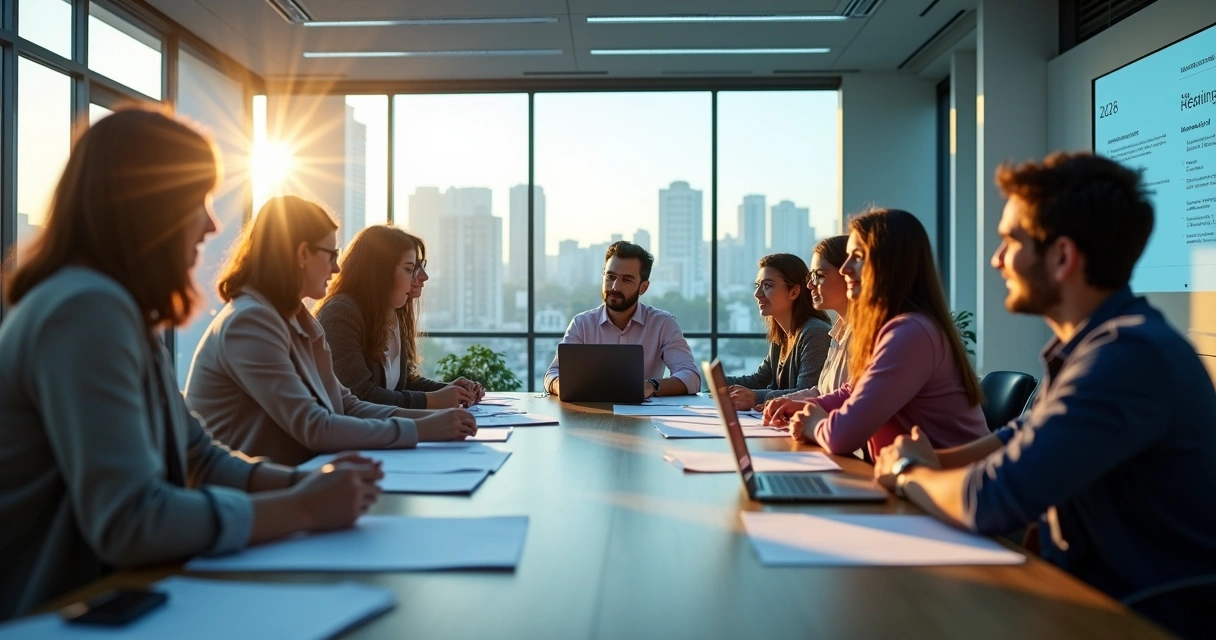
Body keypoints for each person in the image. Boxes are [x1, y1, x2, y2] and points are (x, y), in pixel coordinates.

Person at [0, 108, 383, 621]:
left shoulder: (118, 309)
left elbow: (198, 457)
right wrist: (304, 508)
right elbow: (131, 521)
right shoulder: (85, 311)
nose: (212, 223)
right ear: (147, 206)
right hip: (56, 615)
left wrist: (304, 486)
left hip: (116, 598)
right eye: (197, 199)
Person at [873, 153, 1216, 638]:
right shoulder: (1101, 344)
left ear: (1061, 257)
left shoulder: (1128, 356)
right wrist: (934, 460)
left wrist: (910, 473)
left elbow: (992, 500)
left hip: (1139, 621)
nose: (996, 259)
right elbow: (1024, 433)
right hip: (1088, 604)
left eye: (1011, 241)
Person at [185, 196, 476, 467]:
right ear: (302, 254)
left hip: (293, 476)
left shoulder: (300, 321)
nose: (336, 268)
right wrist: (422, 427)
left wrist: (431, 420)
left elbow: (346, 404)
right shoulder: (250, 323)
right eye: (330, 255)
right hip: (247, 492)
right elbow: (315, 427)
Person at [769, 209, 988, 460]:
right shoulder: (893, 328)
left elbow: (843, 435)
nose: (845, 269)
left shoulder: (910, 332)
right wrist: (810, 406)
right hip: (911, 477)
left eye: (858, 257)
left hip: (950, 482)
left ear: (889, 264)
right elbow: (853, 391)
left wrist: (815, 424)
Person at [314, 225, 484, 410]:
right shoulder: (340, 314)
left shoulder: (393, 314)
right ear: (379, 272)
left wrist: (450, 390)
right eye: (410, 269)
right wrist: (431, 400)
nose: (423, 277)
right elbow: (359, 396)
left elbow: (401, 385)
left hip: (383, 427)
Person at [544, 241, 700, 398]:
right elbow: (552, 374)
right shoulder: (582, 324)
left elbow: (691, 376)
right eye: (610, 277)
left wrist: (652, 386)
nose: (615, 287)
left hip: (644, 412)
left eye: (627, 280)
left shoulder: (663, 324)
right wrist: (564, 386)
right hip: (590, 411)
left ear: (643, 287)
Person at [721, 253, 831, 410]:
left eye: (767, 286)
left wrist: (754, 397)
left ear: (794, 292)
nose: (757, 294)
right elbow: (759, 380)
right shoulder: (782, 335)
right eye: (758, 285)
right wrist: (718, 383)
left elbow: (805, 393)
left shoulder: (815, 333)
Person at [761, 235, 851, 419]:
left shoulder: (817, 331)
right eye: (811, 276)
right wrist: (787, 402)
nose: (809, 285)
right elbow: (822, 392)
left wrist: (762, 398)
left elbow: (850, 400)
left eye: (820, 275)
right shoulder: (838, 332)